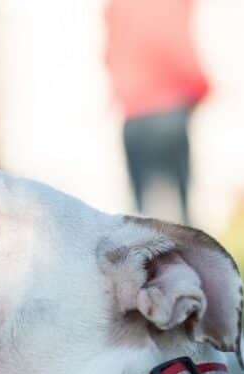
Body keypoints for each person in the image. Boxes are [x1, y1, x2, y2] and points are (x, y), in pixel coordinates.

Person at [105, 0, 210, 223]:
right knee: (182, 201)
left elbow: (111, 50)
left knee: (141, 212)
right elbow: (179, 45)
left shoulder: (119, 5)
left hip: (134, 112)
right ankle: (190, 253)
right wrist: (200, 86)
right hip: (170, 108)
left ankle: (143, 256)